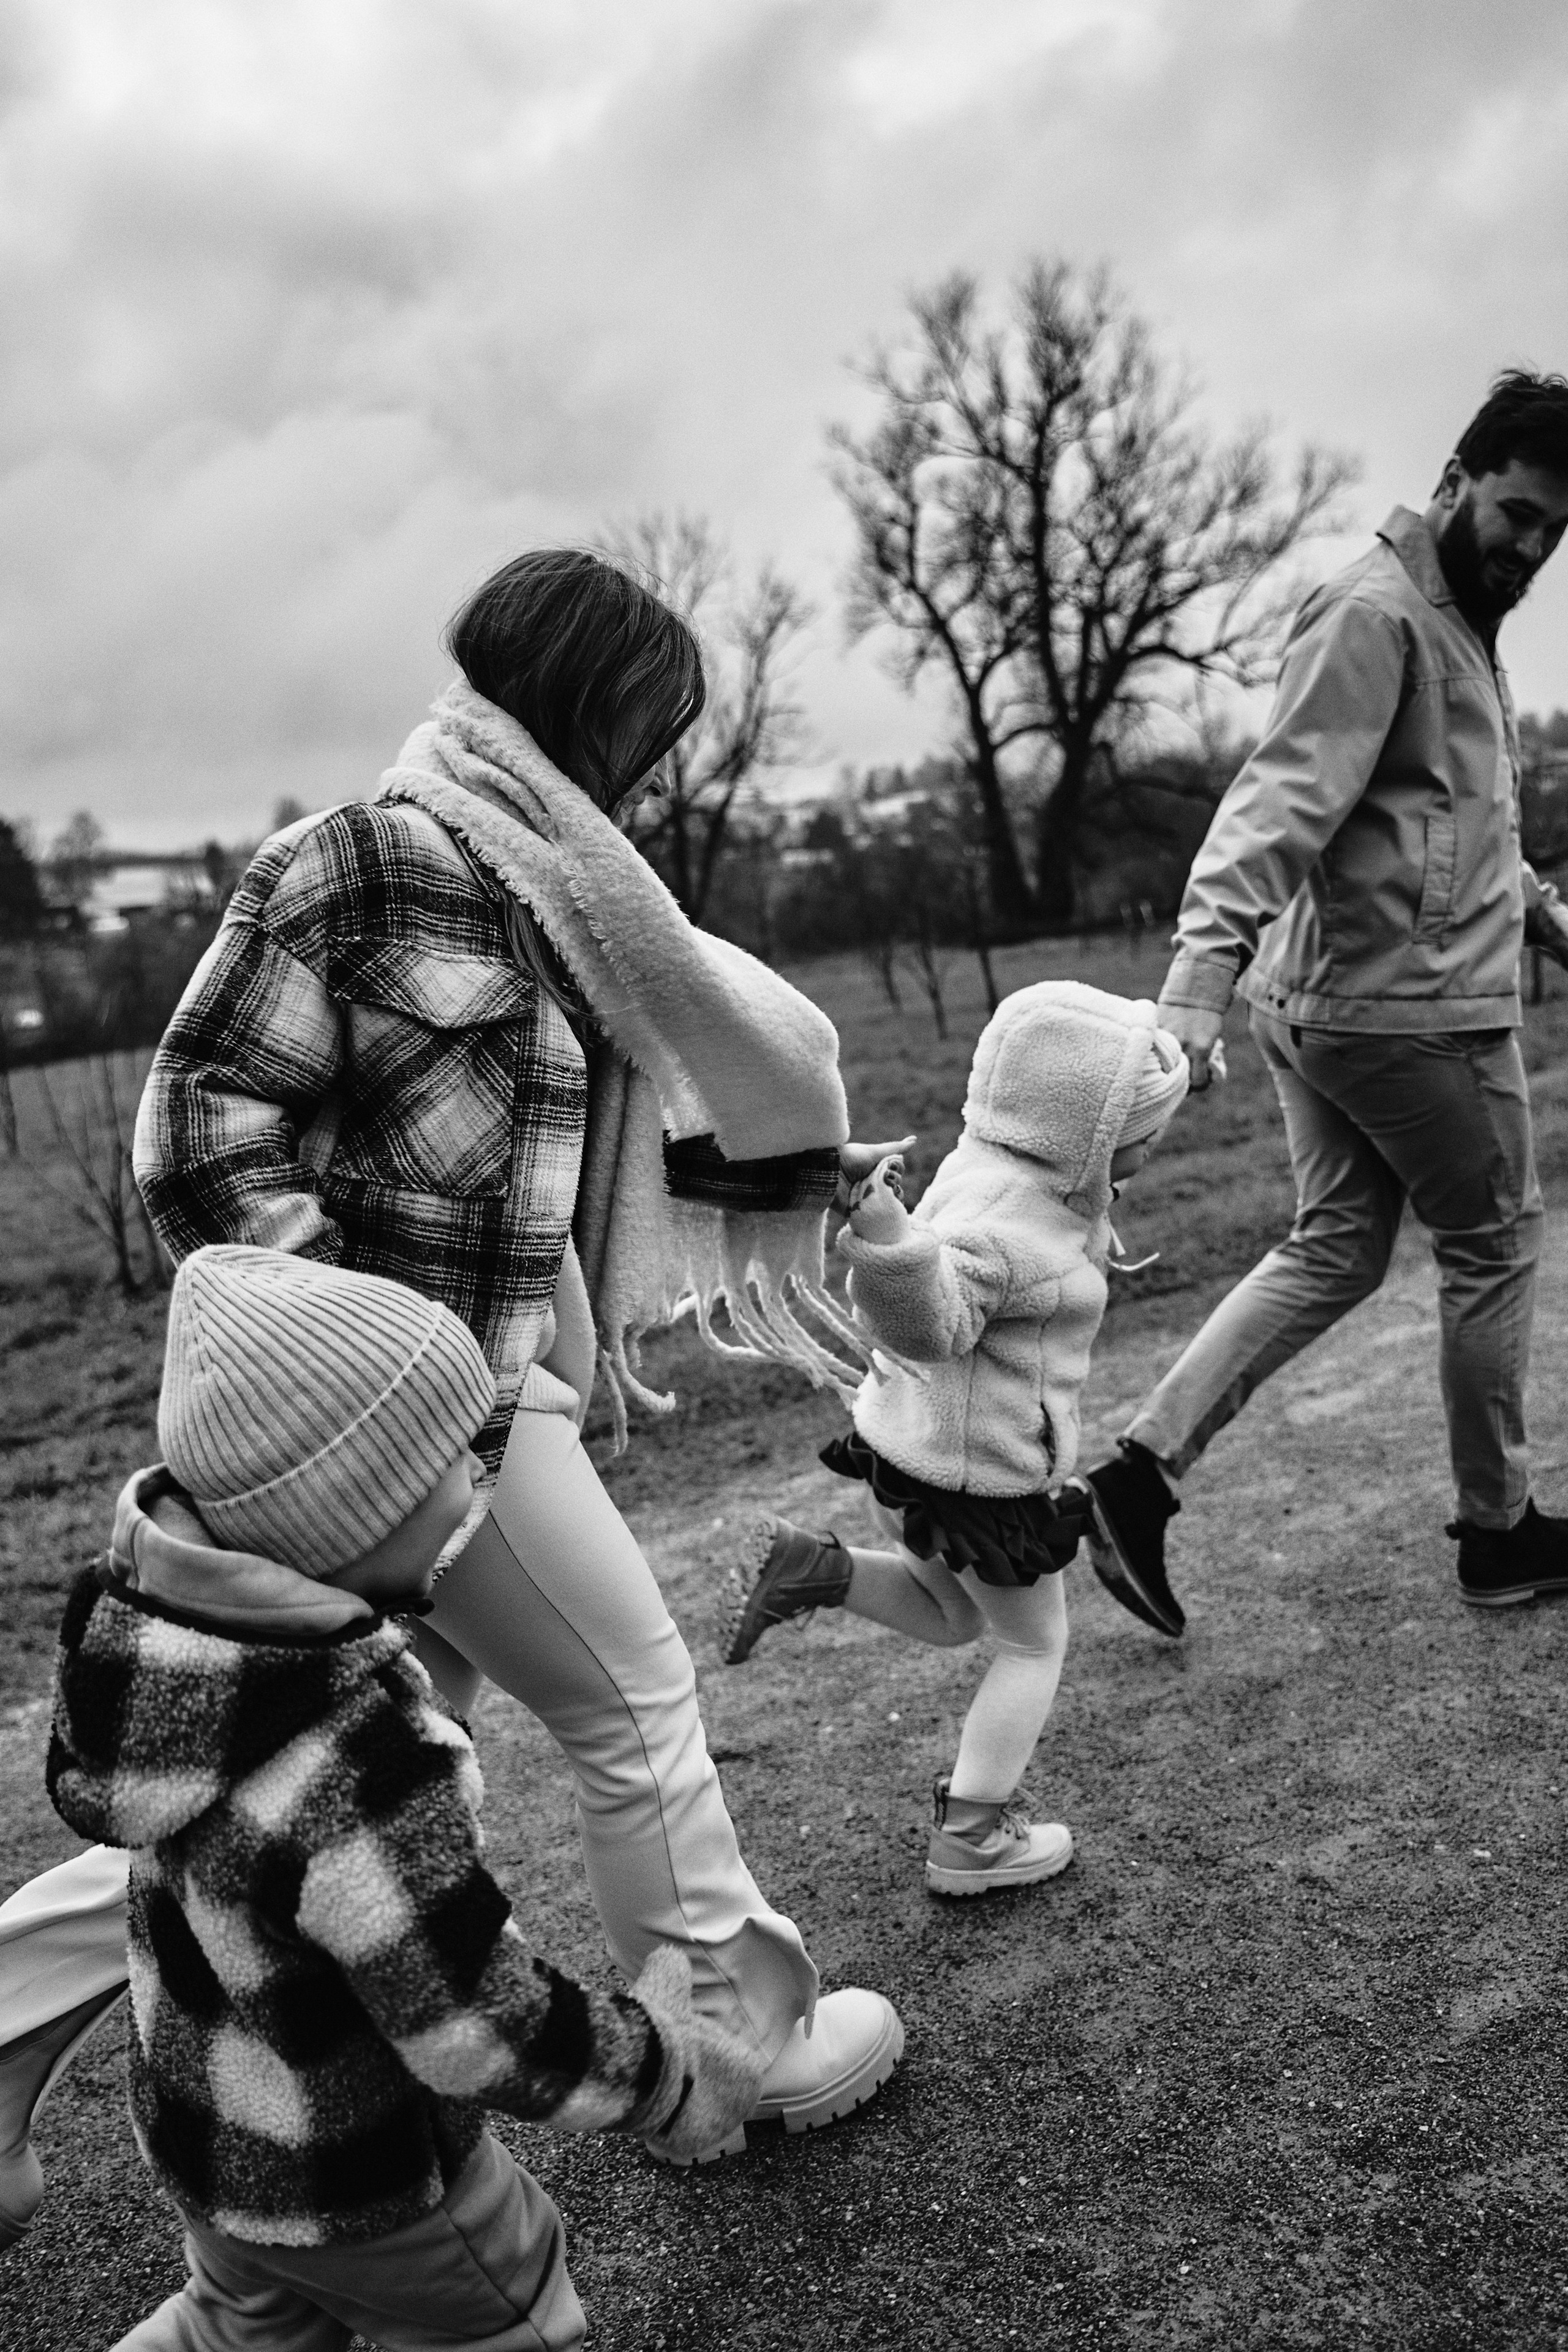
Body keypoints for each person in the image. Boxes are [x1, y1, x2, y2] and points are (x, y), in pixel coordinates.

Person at [0, 549, 904, 2248]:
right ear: (581, 698)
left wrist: (802, 1174)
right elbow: (196, 1132)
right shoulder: (358, 864)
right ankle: (736, 2057)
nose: (656, 764)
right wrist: (363, 1365)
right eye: (648, 722)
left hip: (499, 1381)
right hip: (430, 1414)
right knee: (634, 1703)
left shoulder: (562, 891)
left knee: (299, 1772)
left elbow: (591, 1139)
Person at [53, 1246, 765, 2351]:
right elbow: (473, 2024)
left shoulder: (176, 1673)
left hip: (216, 2157)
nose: (480, 1478)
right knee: (511, 2311)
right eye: (450, 1457)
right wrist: (662, 2069)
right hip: (370, 2187)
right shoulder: (354, 1757)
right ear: (354, 1510)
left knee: (231, 2331)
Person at [1080, 371, 1568, 1639]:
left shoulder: (1448, 618)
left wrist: (1535, 910)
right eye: (1517, 514)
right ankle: (1498, 1530)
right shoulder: (1378, 614)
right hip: (1410, 1011)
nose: (1530, 548)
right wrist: (1194, 984)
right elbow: (1278, 801)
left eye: (1553, 532)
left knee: (1338, 1244)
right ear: (1454, 481)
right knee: (1493, 1243)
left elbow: (1429, 811)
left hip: (1334, 1000)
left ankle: (1135, 1476)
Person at [714, 984, 1188, 1894]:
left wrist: (1178, 1064)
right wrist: (886, 1241)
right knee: (1034, 1645)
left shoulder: (1010, 1163)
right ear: (1085, 1130)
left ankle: (811, 1568)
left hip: (915, 1456)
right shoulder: (1010, 1225)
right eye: (1143, 1134)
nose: (1151, 1151)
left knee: (955, 1616)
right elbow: (927, 1322)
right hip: (974, 1481)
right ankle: (972, 1837)